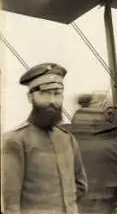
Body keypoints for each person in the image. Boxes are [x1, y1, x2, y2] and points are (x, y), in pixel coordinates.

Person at [2, 63, 88, 214]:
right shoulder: (15, 140)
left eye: (57, 93)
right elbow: (10, 204)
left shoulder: (68, 139)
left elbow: (81, 186)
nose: (52, 100)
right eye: (45, 93)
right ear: (30, 97)